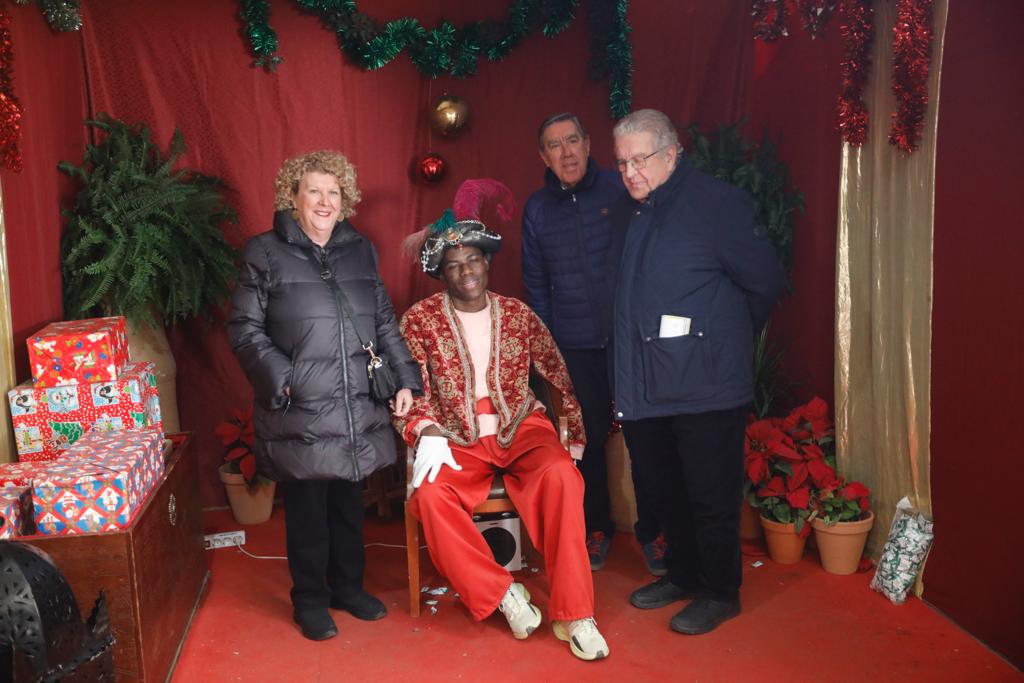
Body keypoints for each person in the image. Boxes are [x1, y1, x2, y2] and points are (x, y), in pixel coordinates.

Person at [395, 179, 610, 661]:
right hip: (455, 436)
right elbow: (406, 389)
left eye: (473, 260)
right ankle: (504, 593)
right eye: (454, 266)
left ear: (487, 262)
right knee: (429, 497)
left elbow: (555, 373)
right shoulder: (419, 320)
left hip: (520, 428)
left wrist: (573, 432)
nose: (466, 271)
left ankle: (576, 613)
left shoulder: (518, 314)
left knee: (562, 477)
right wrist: (424, 431)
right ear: (442, 274)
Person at [228, 150, 422, 641]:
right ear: (292, 196)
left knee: (348, 502)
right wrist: (284, 378)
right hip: (302, 405)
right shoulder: (263, 252)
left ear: (345, 200)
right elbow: (244, 328)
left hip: (356, 402)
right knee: (309, 509)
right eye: (313, 190)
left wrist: (405, 378)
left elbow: (382, 321)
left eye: (333, 192)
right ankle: (310, 599)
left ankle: (348, 588)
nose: (324, 201)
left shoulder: (360, 250)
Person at [608, 110, 786, 635]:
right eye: (621, 163)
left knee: (710, 494)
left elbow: (765, 284)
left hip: (706, 384)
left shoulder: (718, 204)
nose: (630, 172)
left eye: (639, 160)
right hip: (646, 381)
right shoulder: (631, 211)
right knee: (665, 489)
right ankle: (683, 575)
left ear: (671, 153)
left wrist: (718, 341)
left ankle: (720, 592)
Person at [522, 112, 666, 574]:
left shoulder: (619, 189)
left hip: (629, 341)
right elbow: (536, 284)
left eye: (572, 140)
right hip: (574, 345)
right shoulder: (537, 210)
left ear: (587, 144)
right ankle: (596, 528)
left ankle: (656, 532)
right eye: (554, 145)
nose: (566, 152)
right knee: (584, 442)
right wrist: (549, 349)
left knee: (645, 436)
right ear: (543, 156)